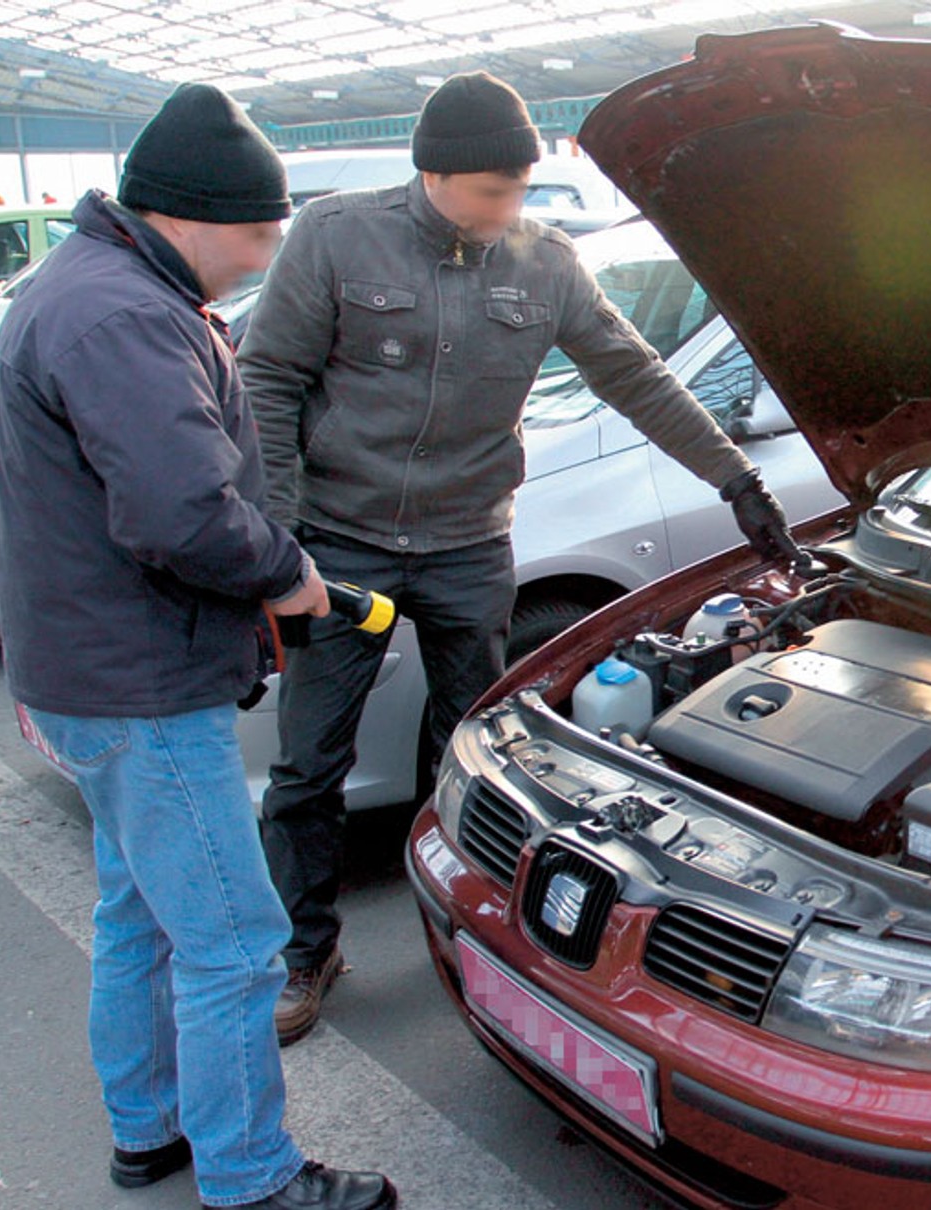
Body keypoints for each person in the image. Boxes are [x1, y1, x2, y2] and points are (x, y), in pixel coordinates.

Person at [239, 71, 799, 1045]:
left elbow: (635, 375)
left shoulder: (546, 264)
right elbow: (268, 379)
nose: (509, 207)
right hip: (343, 542)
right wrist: (281, 538)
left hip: (467, 544)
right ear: (433, 174)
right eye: (492, 190)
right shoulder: (336, 237)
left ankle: (470, 921)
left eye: (520, 188)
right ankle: (304, 949)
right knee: (309, 763)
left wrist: (734, 479)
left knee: (473, 750)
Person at [0, 86, 397, 1209]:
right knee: (234, 942)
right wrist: (286, 572)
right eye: (259, 234)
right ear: (190, 216)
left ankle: (150, 1126)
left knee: (141, 916)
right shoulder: (124, 314)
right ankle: (251, 1175)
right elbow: (181, 516)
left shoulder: (88, 286)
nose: (264, 257)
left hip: (90, 672)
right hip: (142, 686)